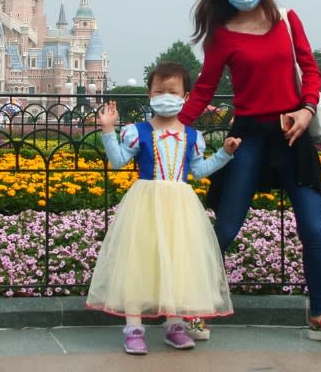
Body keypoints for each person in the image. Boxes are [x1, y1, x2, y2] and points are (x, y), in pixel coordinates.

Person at [177, 0, 321, 344]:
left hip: (293, 134)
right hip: (249, 138)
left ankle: (320, 316)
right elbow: (204, 89)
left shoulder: (287, 21)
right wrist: (169, 127)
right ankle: (191, 308)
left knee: (313, 228)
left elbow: (310, 71)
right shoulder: (222, 35)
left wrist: (307, 111)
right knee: (225, 227)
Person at [86, 61, 241, 355]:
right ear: (149, 94)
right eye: (160, 90)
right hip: (145, 204)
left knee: (178, 259)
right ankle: (133, 327)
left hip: (180, 207)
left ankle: (175, 325)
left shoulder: (193, 136)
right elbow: (118, 161)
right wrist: (107, 130)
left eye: (172, 91)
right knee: (139, 261)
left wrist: (225, 153)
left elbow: (200, 170)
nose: (165, 96)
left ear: (185, 96)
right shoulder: (137, 131)